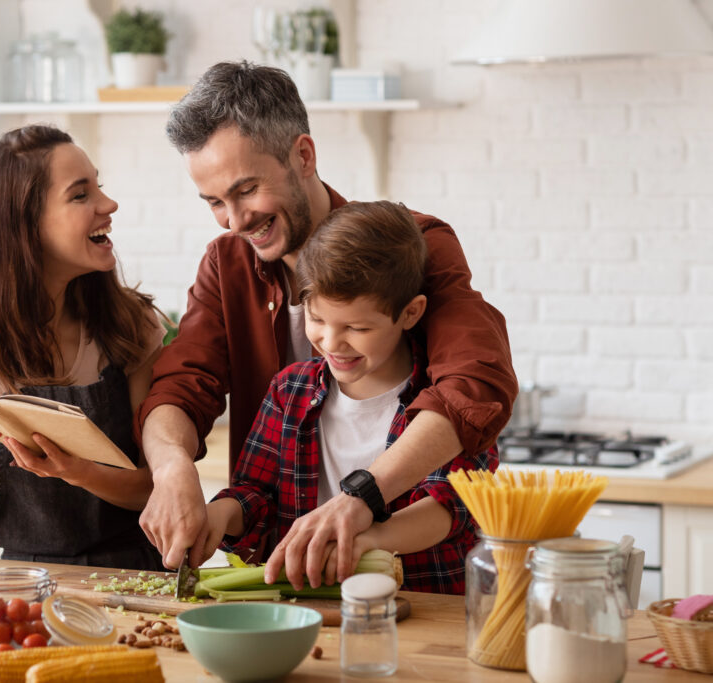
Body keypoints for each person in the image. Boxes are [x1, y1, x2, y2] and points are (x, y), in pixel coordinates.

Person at [135, 61, 517, 588]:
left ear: (304, 156)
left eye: (246, 190)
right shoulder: (227, 265)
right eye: (215, 202)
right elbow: (181, 387)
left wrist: (361, 500)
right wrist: (173, 468)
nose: (235, 220)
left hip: (420, 585)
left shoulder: (413, 245)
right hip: (293, 588)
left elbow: (475, 383)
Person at [0, 124, 166, 570]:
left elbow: (155, 489)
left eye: (98, 186)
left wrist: (76, 471)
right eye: (81, 195)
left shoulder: (130, 327)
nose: (108, 204)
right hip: (25, 587)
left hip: (136, 577)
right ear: (22, 225)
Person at [204, 201, 496, 594]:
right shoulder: (289, 391)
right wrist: (218, 515)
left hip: (426, 607)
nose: (331, 341)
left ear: (410, 313)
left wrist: (367, 540)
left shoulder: (444, 402)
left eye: (357, 327)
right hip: (315, 610)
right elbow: (256, 495)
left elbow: (452, 506)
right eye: (317, 318)